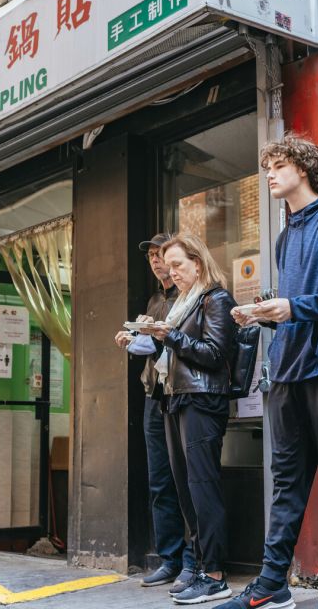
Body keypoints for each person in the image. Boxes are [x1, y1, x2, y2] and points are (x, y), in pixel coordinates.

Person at [226, 135, 318, 609]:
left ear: (305, 169)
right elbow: (296, 304)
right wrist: (265, 314)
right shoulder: (284, 234)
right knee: (288, 478)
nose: (269, 173)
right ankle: (273, 581)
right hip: (289, 368)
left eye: (279, 164)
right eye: (267, 165)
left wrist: (294, 307)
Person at [138, 233, 237, 605]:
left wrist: (172, 337)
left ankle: (215, 574)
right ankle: (196, 566)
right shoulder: (181, 304)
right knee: (185, 490)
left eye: (179, 264)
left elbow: (214, 353)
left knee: (202, 487)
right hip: (175, 399)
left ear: (198, 262)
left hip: (202, 400)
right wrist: (156, 336)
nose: (173, 272)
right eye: (170, 265)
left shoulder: (216, 299)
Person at [114, 233, 195, 589]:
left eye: (162, 255)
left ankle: (196, 559)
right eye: (151, 257)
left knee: (188, 480)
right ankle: (170, 558)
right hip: (154, 392)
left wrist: (147, 340)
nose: (157, 262)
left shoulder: (190, 295)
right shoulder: (155, 298)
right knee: (160, 480)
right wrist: (133, 341)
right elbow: (151, 345)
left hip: (183, 392)